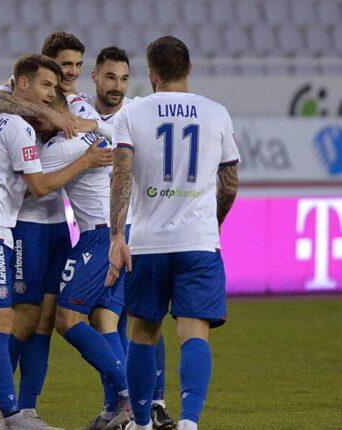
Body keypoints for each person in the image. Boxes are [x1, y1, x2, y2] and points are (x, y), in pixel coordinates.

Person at [0, 53, 112, 430]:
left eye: (54, 87)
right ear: (22, 84)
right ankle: (11, 413)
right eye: (45, 85)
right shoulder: (19, 127)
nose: (51, 93)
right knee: (1, 321)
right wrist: (84, 162)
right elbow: (39, 186)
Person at [106, 36, 240, 430]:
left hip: (148, 242)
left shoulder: (132, 114)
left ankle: (142, 424)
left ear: (151, 73)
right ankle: (189, 422)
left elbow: (121, 175)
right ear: (189, 68)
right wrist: (213, 223)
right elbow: (230, 184)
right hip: (198, 242)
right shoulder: (216, 113)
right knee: (194, 332)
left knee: (142, 332)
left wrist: (117, 236)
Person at [69, 47, 175, 430]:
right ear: (94, 77)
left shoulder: (136, 112)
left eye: (125, 78)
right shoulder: (77, 109)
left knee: (136, 316)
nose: (117, 86)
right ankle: (123, 406)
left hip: (132, 229)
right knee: (108, 319)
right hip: (102, 232)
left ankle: (149, 404)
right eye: (110, 77)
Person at [36, 95, 131, 430]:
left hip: (99, 237)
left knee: (67, 318)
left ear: (61, 115)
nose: (39, 122)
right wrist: (95, 125)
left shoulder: (58, 148)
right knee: (104, 320)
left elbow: (32, 185)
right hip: (120, 231)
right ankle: (114, 408)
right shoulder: (95, 134)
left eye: (43, 115)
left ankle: (129, 396)